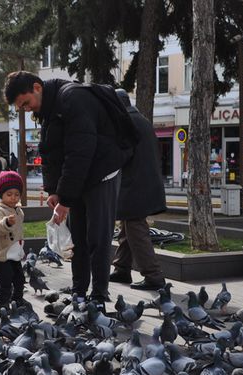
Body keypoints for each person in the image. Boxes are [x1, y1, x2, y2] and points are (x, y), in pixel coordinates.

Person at [4, 71, 131, 309]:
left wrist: (66, 199)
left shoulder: (72, 99)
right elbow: (52, 152)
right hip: (81, 177)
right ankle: (79, 292)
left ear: (37, 87)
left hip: (102, 173)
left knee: (98, 238)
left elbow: (79, 154)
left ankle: (99, 296)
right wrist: (54, 191)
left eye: (26, 103)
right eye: (22, 107)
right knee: (77, 239)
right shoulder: (49, 109)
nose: (27, 109)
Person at [109, 89, 166, 290]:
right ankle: (121, 269)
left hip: (134, 186)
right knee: (128, 227)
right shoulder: (141, 120)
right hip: (143, 183)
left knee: (136, 230)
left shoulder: (126, 123)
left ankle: (154, 276)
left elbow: (118, 156)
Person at [0, 171, 26, 311]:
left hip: (14, 254)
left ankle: (17, 301)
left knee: (20, 279)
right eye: (9, 194)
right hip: (1, 256)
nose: (13, 198)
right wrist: (6, 223)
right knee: (6, 282)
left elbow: (19, 233)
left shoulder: (18, 210)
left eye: (17, 194)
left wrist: (21, 250)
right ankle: (3, 305)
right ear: (1, 194)